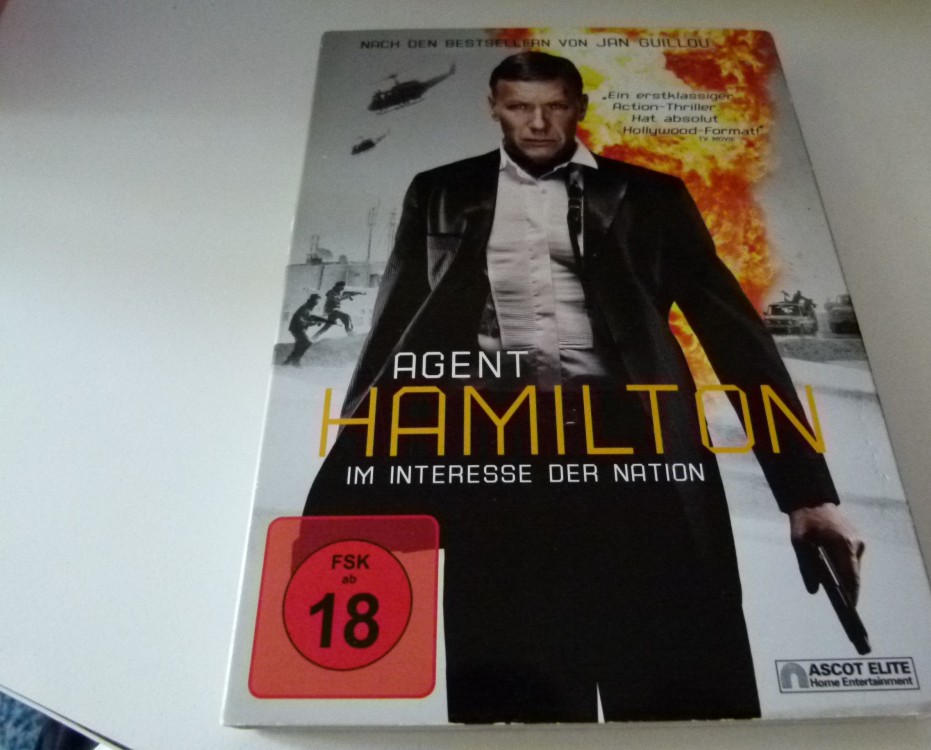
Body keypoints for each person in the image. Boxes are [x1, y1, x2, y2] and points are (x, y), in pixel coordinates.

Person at [303, 51, 864, 723]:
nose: (538, 123)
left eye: (554, 106)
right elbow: (395, 337)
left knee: (684, 701)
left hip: (646, 466)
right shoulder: (439, 191)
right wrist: (358, 487)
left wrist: (808, 494)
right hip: (497, 470)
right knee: (514, 708)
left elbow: (735, 337)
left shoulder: (653, 195)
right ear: (494, 108)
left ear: (579, 107)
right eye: (519, 107)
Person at [282, 293, 325, 366]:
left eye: (317, 302)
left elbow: (307, 318)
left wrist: (316, 321)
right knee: (307, 342)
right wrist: (314, 322)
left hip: (298, 328)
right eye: (315, 302)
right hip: (297, 328)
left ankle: (288, 362)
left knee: (299, 345)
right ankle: (295, 361)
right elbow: (301, 321)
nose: (316, 304)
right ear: (310, 301)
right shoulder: (305, 308)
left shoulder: (308, 308)